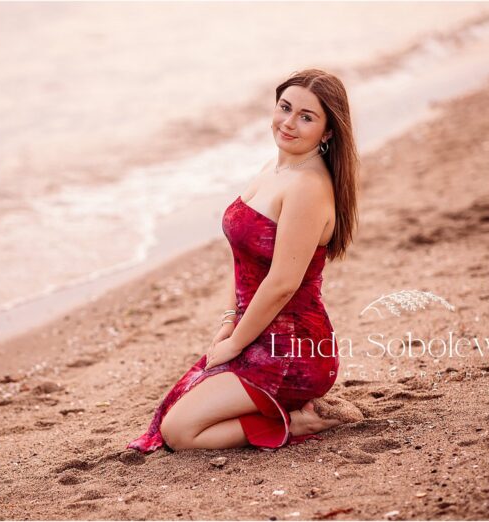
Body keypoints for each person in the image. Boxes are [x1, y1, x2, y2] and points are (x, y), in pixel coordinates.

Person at [127, 69, 363, 453]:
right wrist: (228, 321)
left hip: (292, 350)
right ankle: (274, 411)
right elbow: (245, 261)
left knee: (179, 433)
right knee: (179, 411)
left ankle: (296, 422)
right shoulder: (277, 167)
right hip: (257, 330)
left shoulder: (307, 188)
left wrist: (236, 342)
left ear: (328, 132)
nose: (288, 123)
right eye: (285, 108)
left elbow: (283, 282)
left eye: (306, 117)